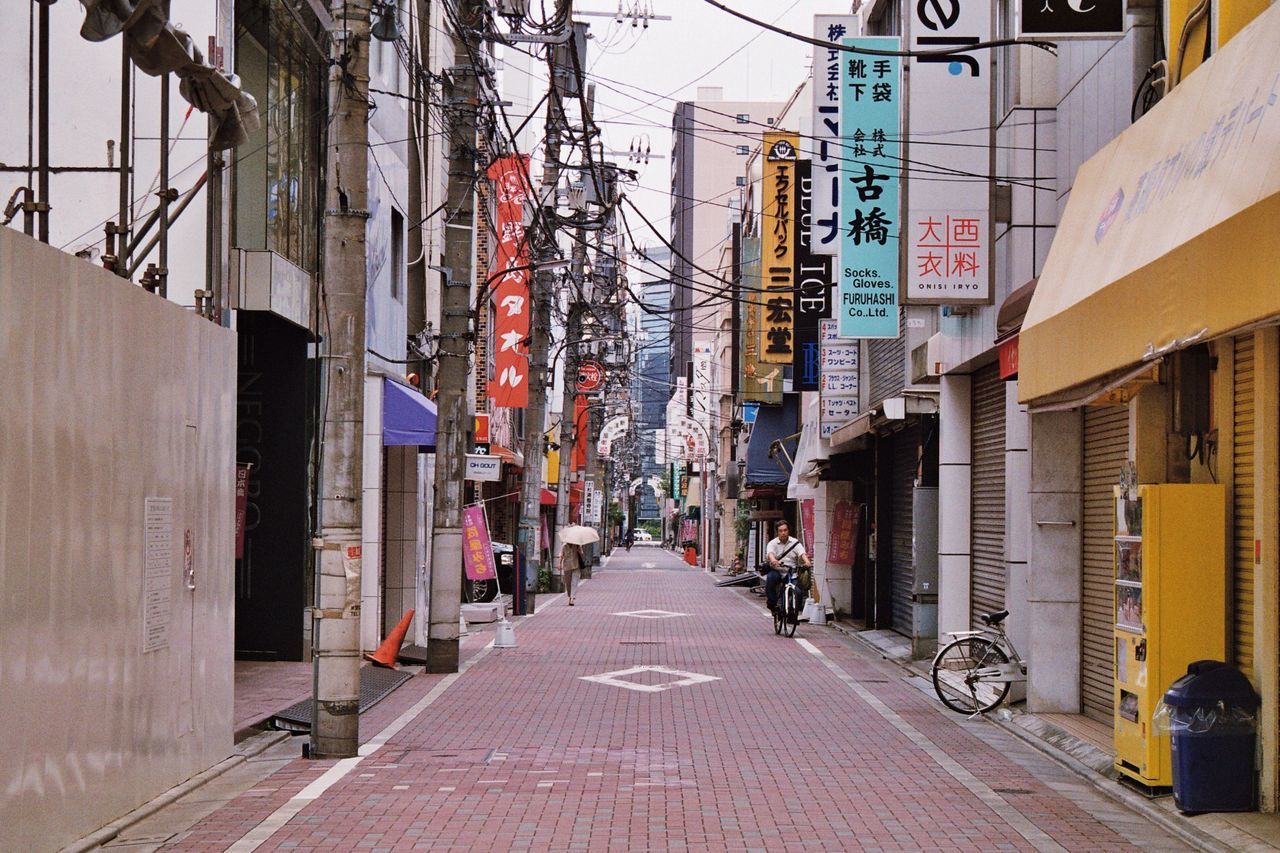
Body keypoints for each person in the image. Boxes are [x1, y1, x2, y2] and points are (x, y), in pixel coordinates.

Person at [765, 521, 811, 614]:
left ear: (788, 531)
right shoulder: (772, 543)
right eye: (780, 531)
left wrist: (807, 561)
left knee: (798, 592)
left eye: (785, 530)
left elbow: (802, 553)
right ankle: (772, 603)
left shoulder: (795, 543)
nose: (783, 533)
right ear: (777, 532)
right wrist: (773, 560)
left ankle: (792, 613)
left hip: (791, 573)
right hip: (777, 570)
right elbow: (770, 553)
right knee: (770, 578)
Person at [558, 542, 585, 606]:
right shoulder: (564, 546)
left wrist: (579, 550)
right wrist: (559, 564)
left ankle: (572, 598)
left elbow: (582, 554)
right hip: (567, 567)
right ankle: (570, 595)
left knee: (574, 582)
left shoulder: (577, 545)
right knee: (568, 583)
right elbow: (561, 555)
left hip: (576, 565)